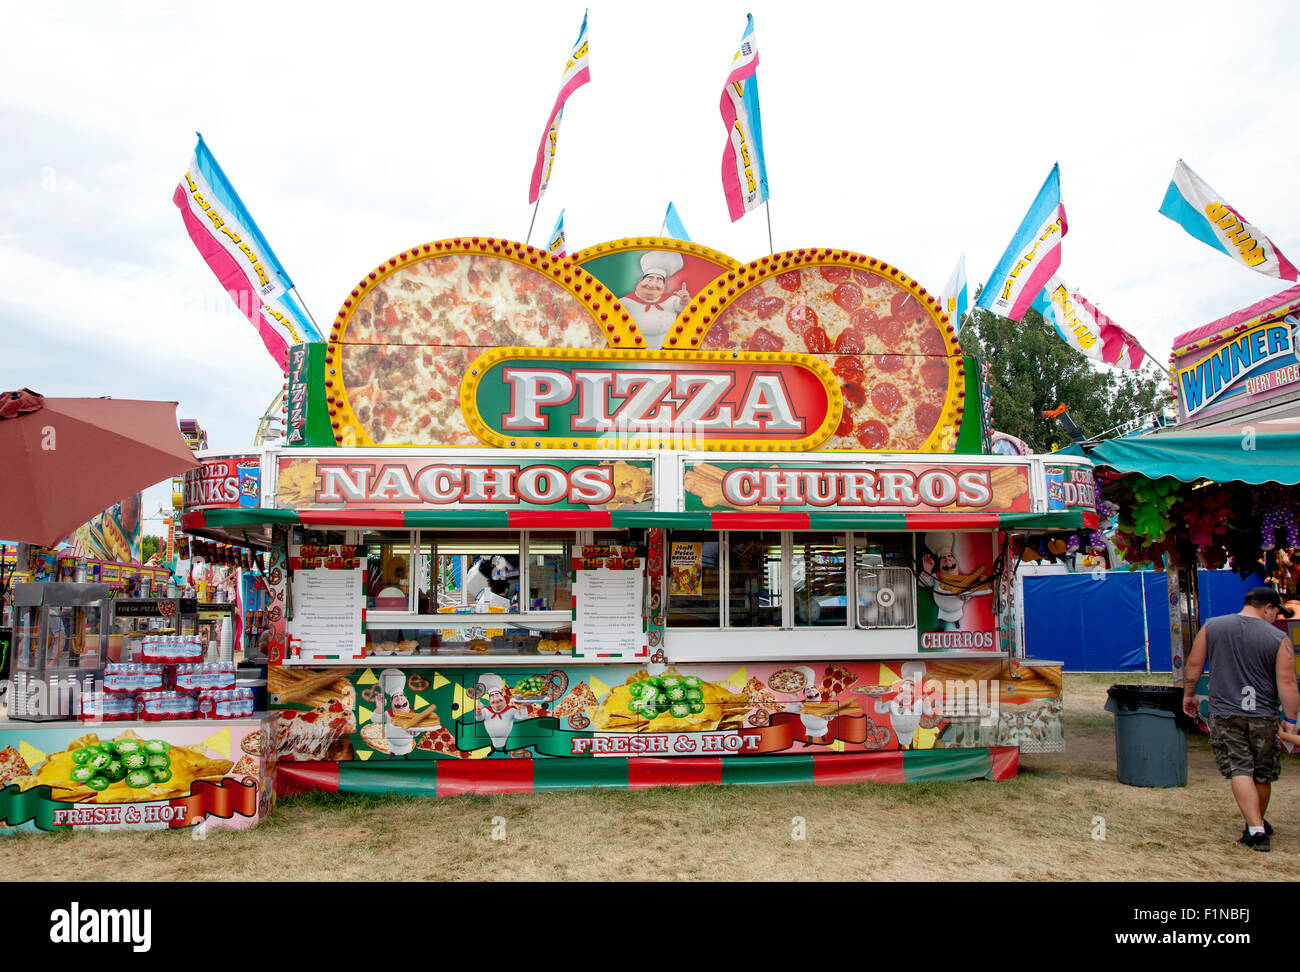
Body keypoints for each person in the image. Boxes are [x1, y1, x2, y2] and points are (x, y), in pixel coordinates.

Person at [1181, 586, 1299, 852]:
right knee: (1262, 772)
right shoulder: (1278, 638)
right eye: (1276, 613)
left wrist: (1189, 695)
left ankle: (1255, 827)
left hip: (1225, 712)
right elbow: (1288, 682)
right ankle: (1255, 824)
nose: (1276, 619)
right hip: (1264, 714)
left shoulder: (1212, 627)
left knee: (1239, 768)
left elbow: (1194, 665)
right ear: (1267, 607)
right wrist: (1290, 719)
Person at [620, 251, 690, 348]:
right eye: (649, 279)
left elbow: (685, 307)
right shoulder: (625, 302)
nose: (653, 284)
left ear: (664, 286)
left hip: (666, 355)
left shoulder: (671, 300)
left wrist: (684, 300)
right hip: (633, 354)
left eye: (658, 281)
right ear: (640, 281)